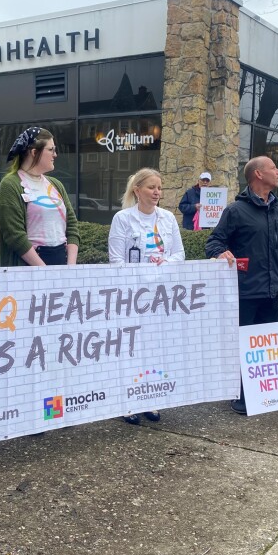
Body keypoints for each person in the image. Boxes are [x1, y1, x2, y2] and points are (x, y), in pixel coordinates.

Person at [205, 156, 278, 414]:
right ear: (258, 175)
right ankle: (241, 395)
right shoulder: (235, 211)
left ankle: (267, 394)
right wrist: (221, 254)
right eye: (273, 168)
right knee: (244, 344)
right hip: (246, 291)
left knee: (268, 344)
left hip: (275, 290)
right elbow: (214, 242)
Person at [108, 168, 184, 424]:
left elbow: (179, 255)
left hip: (161, 296)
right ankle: (127, 401)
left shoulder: (168, 219)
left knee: (154, 347)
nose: (156, 192)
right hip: (132, 295)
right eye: (151, 187)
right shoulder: (123, 219)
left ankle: (150, 398)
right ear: (137, 190)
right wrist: (142, 272)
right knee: (131, 348)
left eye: (159, 188)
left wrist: (164, 264)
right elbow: (116, 260)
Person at [0, 127, 79, 267]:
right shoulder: (10, 185)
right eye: (51, 149)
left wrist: (70, 267)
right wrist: (43, 271)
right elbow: (14, 236)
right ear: (34, 152)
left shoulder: (56, 185)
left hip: (61, 263)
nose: (55, 154)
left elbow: (72, 226)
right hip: (28, 270)